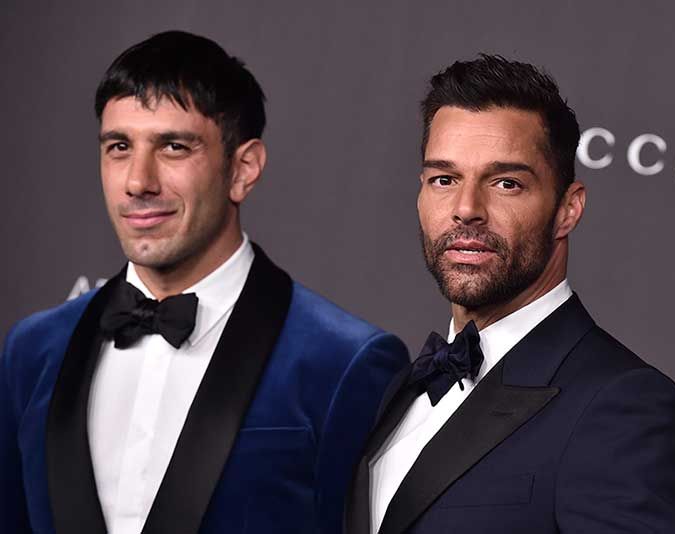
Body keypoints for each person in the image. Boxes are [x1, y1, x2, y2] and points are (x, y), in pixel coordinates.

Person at [0, 30, 408, 534]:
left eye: (173, 147)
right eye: (119, 147)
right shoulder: (31, 352)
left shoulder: (345, 362)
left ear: (243, 168)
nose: (138, 181)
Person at [345, 55, 675, 534]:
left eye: (506, 183)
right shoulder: (404, 386)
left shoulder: (625, 407)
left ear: (568, 209)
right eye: (444, 180)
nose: (466, 209)